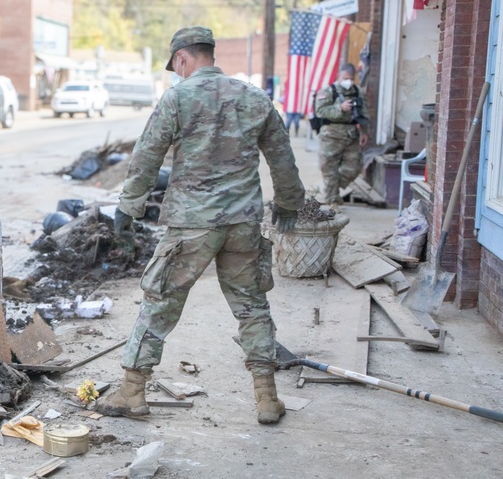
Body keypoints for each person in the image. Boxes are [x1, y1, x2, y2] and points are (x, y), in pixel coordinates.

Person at [96, 26, 306, 425]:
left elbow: (147, 156)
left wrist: (128, 208)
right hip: (243, 222)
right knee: (252, 307)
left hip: (191, 224)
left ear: (182, 59)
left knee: (160, 302)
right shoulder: (253, 96)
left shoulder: (178, 97)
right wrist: (289, 203)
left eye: (176, 67)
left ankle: (133, 393)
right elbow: (282, 157)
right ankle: (266, 399)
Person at [315, 63, 368, 205]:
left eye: (351, 78)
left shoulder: (357, 91)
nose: (348, 81)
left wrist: (363, 132)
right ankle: (332, 200)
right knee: (329, 168)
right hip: (331, 135)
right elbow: (320, 111)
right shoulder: (327, 91)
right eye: (345, 78)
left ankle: (330, 189)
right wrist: (340, 108)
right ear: (339, 76)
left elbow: (363, 113)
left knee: (354, 168)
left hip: (351, 135)